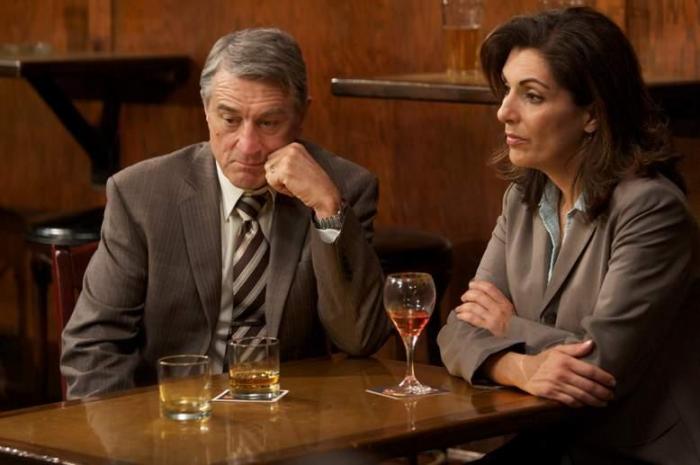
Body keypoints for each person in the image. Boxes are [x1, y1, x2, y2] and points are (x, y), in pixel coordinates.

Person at [61, 27, 391, 399]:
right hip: (175, 414)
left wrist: (328, 211)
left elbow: (360, 338)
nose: (248, 146)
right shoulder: (141, 194)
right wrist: (130, 433)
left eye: (268, 123)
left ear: (301, 115)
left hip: (294, 417)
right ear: (206, 111)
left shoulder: (344, 188)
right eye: (230, 120)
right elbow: (93, 345)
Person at [438, 7, 700, 464]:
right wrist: (519, 366)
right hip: (551, 439)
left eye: (532, 96)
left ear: (592, 115)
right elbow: (458, 332)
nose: (504, 112)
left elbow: (600, 369)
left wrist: (507, 327)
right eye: (506, 90)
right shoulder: (521, 199)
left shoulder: (651, 209)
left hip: (633, 452)